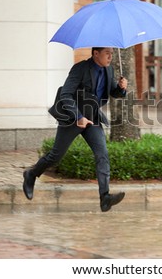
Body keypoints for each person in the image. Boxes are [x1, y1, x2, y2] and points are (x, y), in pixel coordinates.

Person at [23, 47, 128, 212]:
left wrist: (121, 88)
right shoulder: (80, 69)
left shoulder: (109, 70)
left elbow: (114, 92)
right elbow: (66, 95)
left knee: (102, 155)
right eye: (107, 53)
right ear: (95, 54)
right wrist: (78, 117)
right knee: (55, 156)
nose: (110, 56)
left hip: (92, 118)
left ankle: (105, 197)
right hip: (73, 119)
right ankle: (31, 174)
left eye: (112, 53)